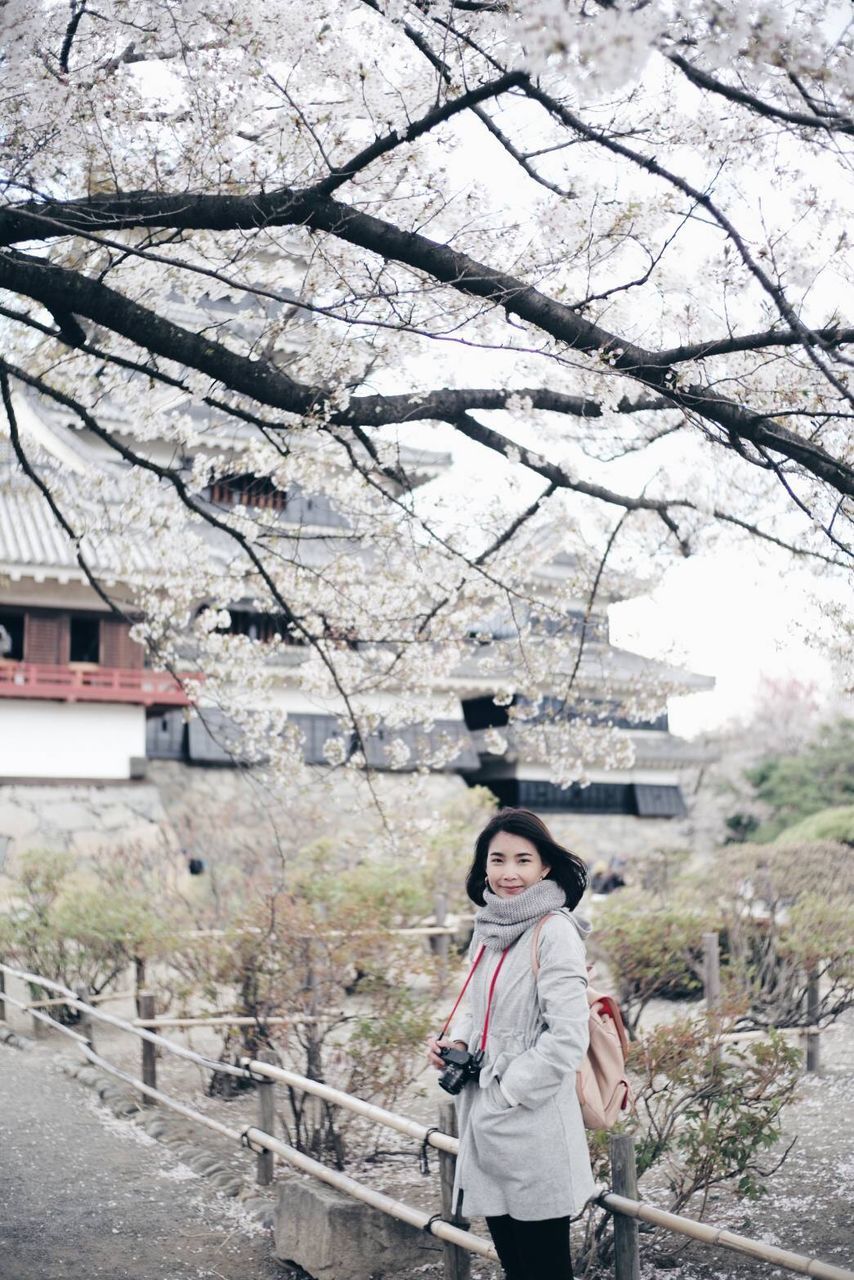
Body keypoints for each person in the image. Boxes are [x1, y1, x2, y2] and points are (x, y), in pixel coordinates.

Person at [428, 807, 596, 1280]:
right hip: (485, 1123)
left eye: (523, 860)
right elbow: (471, 1006)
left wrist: (506, 1091)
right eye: (497, 860)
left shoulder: (555, 932)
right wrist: (453, 1043)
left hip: (533, 1122)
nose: (509, 873)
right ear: (484, 865)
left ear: (545, 866)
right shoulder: (488, 929)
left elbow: (567, 1039)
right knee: (515, 1268)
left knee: (544, 1270)